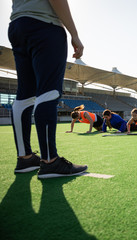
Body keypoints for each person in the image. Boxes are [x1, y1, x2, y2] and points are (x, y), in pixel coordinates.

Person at [9, 0, 87, 178]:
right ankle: (50, 161)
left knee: (24, 96)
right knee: (48, 93)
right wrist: (74, 34)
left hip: (17, 25)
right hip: (45, 26)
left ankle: (25, 158)